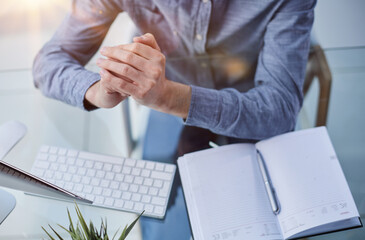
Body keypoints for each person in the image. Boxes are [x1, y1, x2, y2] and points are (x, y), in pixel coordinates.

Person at [33, 1, 316, 239]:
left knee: (267, 222)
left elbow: (279, 111)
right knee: (164, 224)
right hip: (166, 108)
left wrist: (170, 97)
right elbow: (48, 62)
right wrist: (98, 91)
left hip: (250, 99)